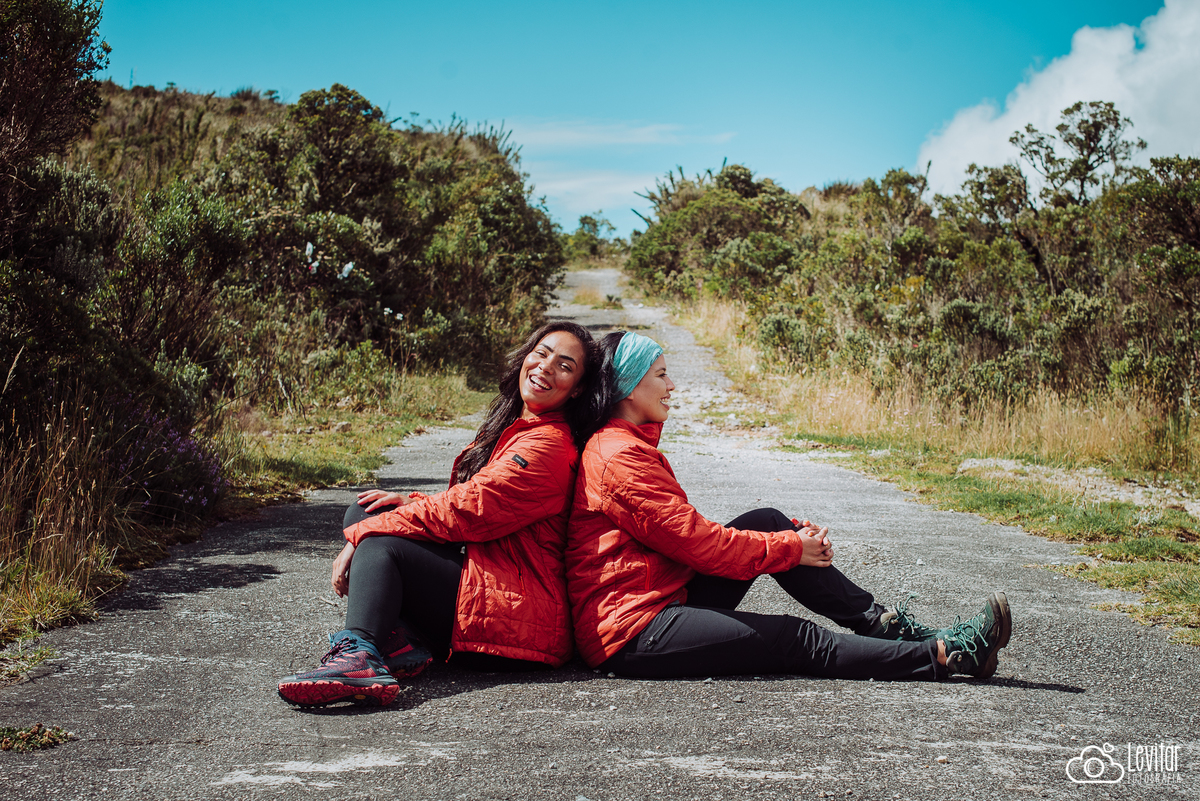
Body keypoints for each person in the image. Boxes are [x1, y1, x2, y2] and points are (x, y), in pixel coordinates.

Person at [565, 330, 1012, 682]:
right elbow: (697, 543)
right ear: (627, 385)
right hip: (631, 629)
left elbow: (688, 540)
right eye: (661, 374)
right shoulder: (618, 456)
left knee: (768, 521)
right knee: (793, 638)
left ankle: (886, 626)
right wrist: (790, 549)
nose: (672, 385)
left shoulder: (625, 446)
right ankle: (946, 656)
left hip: (661, 594)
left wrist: (787, 539)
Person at [278, 321, 604, 707]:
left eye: (565, 366)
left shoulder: (549, 446)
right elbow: (469, 500)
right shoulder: (522, 427)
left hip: (516, 623)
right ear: (526, 356)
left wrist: (365, 536)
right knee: (367, 509)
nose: (546, 367)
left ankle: (361, 656)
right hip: (491, 579)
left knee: (382, 546)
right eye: (542, 353)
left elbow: (470, 510)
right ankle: (399, 643)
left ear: (578, 388)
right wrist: (403, 503)